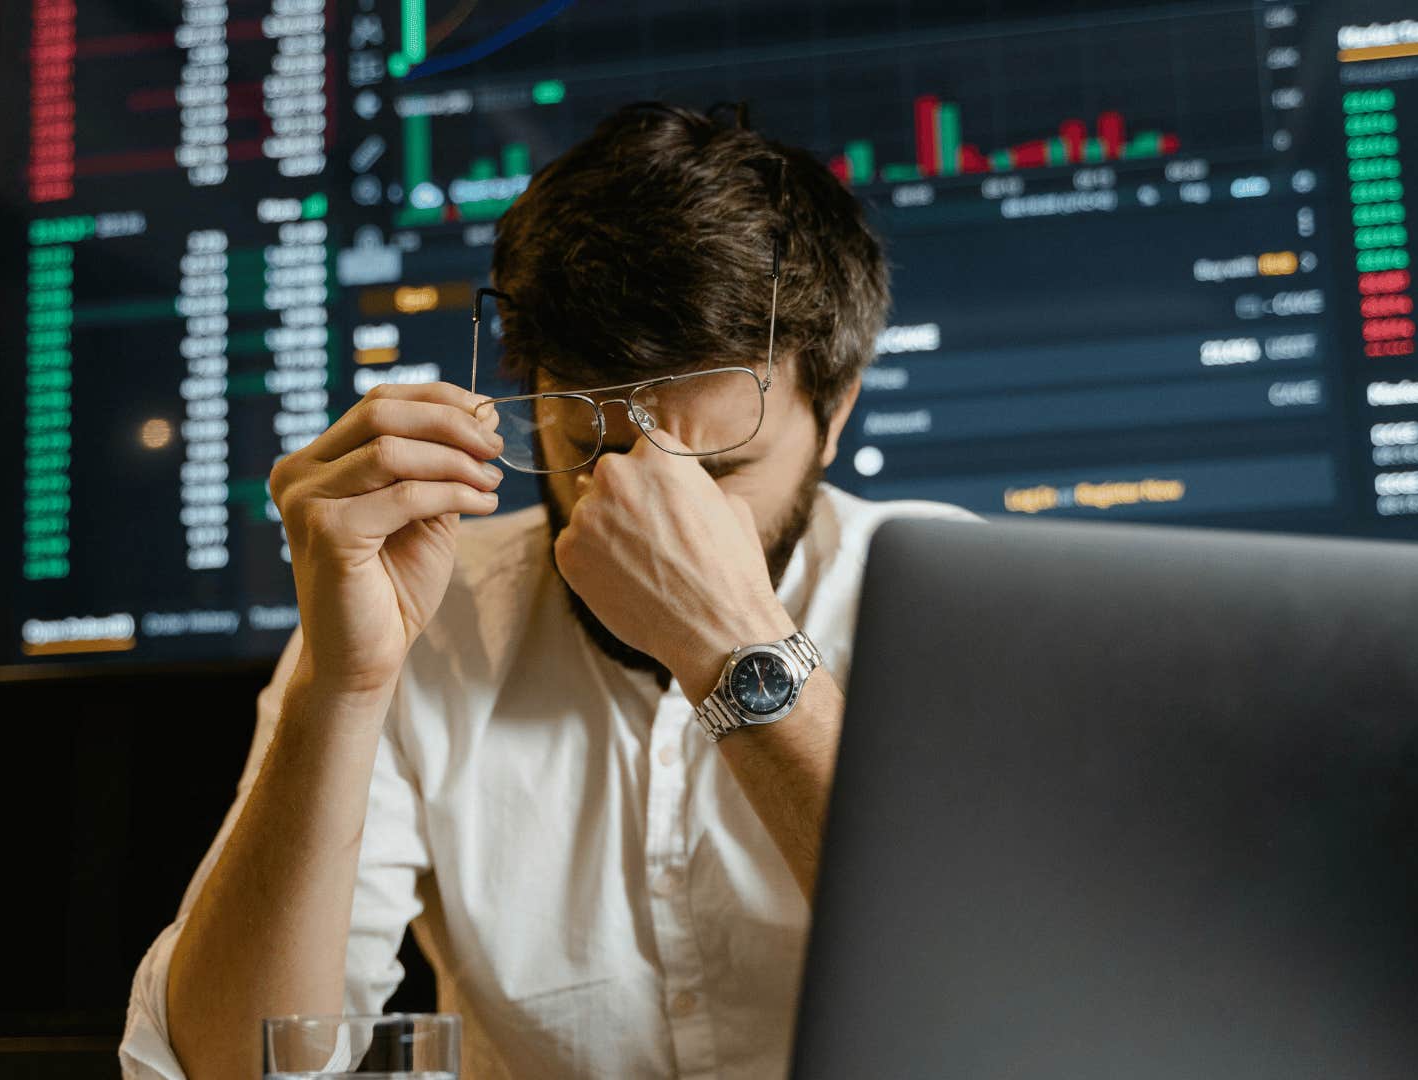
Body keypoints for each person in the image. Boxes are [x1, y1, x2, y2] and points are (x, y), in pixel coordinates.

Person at [120, 102, 974, 1079]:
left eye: (721, 470)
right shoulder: (419, 619)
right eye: (590, 449)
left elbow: (1013, 1005)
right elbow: (230, 1068)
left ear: (836, 413)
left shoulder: (958, 613)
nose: (652, 521)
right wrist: (342, 689)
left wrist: (737, 651)